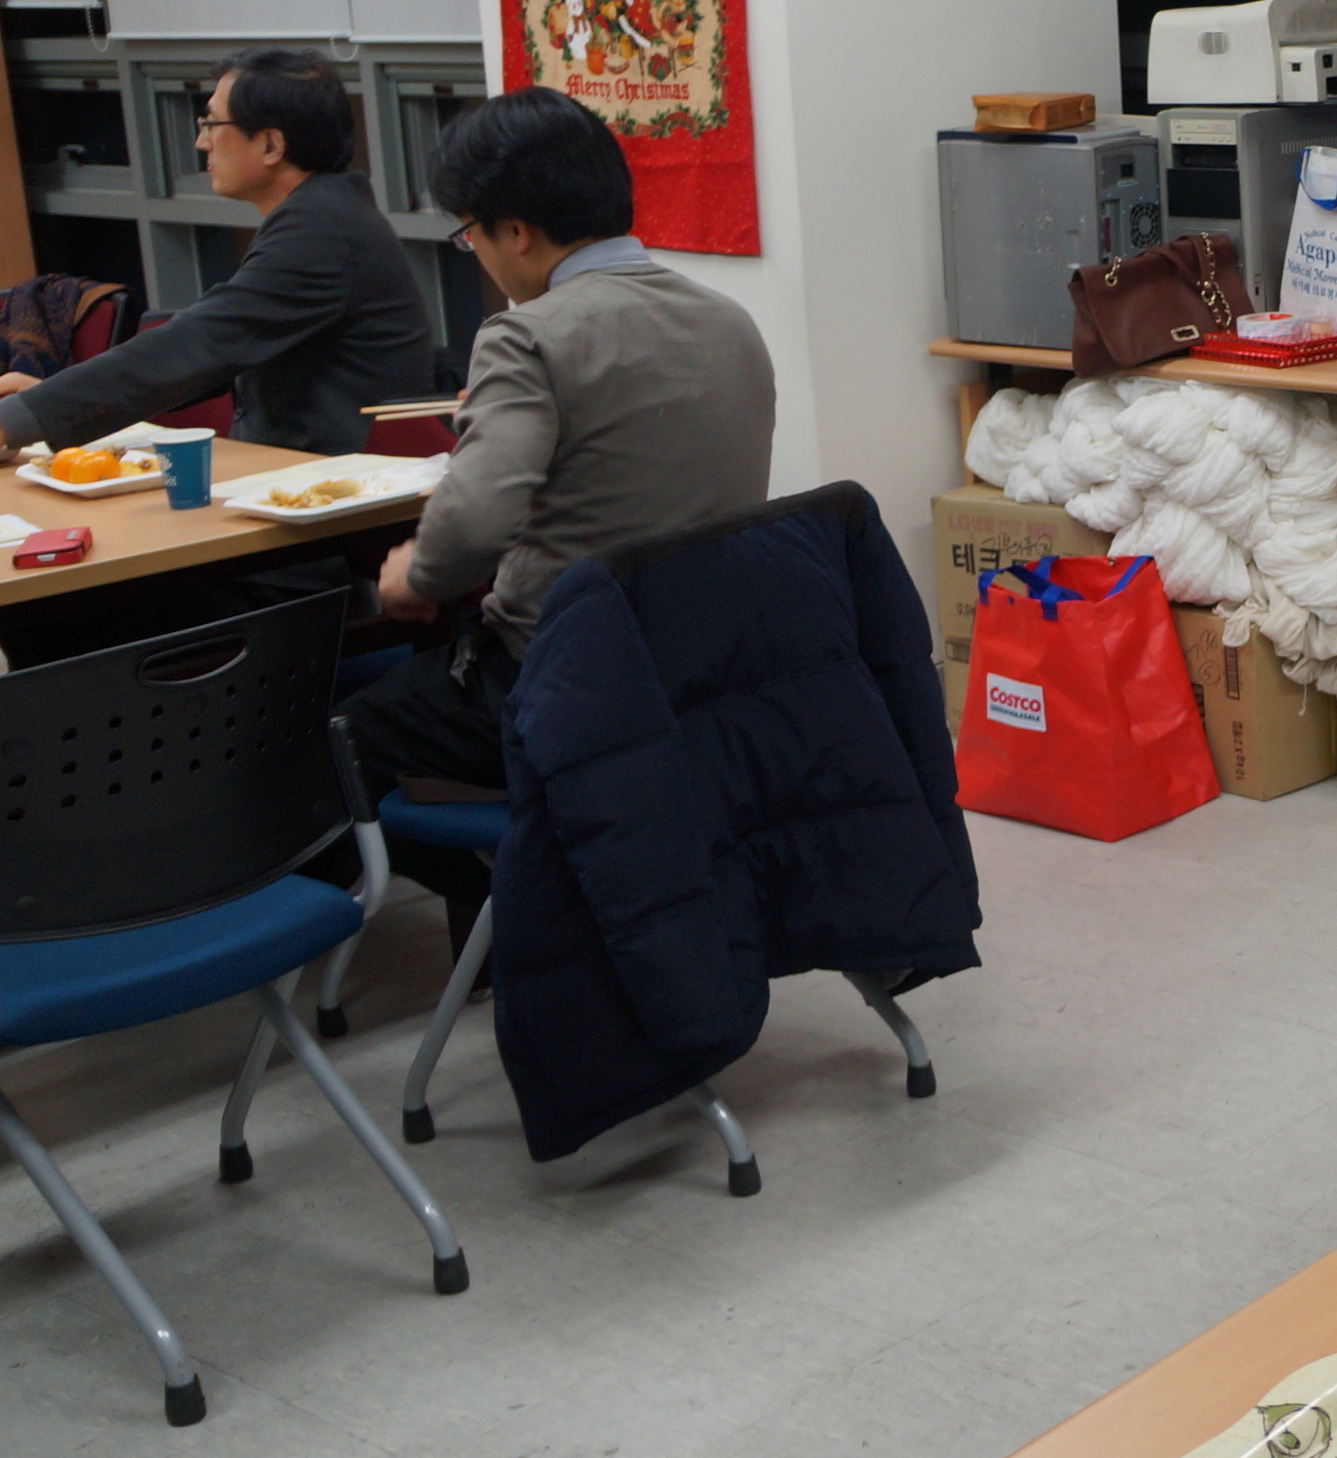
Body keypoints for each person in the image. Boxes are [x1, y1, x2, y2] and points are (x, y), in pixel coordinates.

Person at [343, 88, 774, 895]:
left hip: (566, 683)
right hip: (706, 674)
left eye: (469, 234)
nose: (475, 253)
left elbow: (474, 523)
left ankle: (505, 908)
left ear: (515, 231)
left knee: (340, 729)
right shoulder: (728, 320)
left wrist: (413, 575)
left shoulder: (525, 335)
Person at [0, 49, 434, 456]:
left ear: (271, 145)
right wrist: (45, 402)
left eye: (211, 124)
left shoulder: (321, 231)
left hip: (344, 487)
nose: (200, 142)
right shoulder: (324, 211)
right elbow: (207, 355)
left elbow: (199, 344)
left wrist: (20, 417)